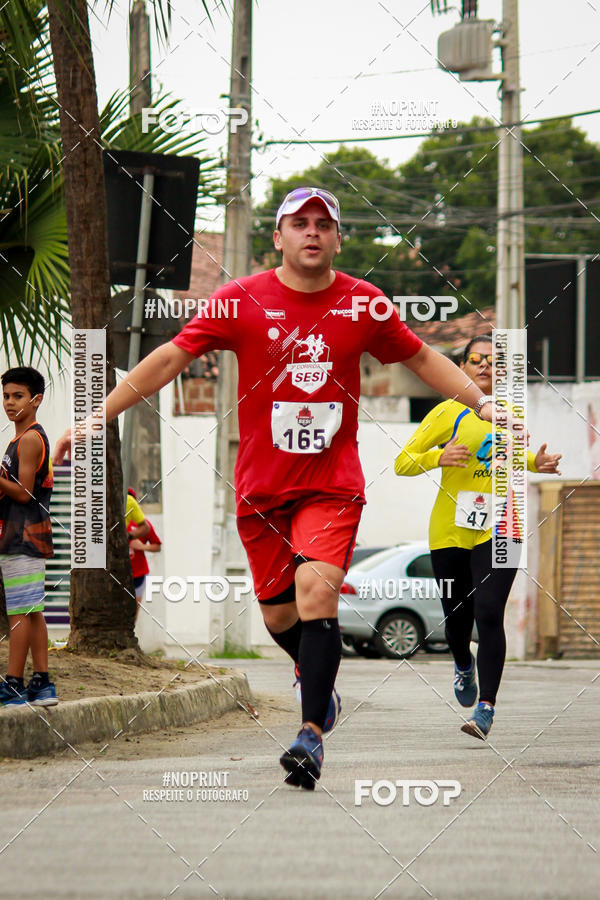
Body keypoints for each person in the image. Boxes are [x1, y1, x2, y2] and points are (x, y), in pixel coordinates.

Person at [54, 187, 505, 787]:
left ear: (338, 238)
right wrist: (98, 414)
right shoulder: (239, 301)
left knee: (315, 591)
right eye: (300, 223)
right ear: (279, 236)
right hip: (262, 488)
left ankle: (310, 735)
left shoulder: (363, 304)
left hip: (331, 485)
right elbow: (169, 358)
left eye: (324, 224)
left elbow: (422, 359)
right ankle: (321, 691)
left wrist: (482, 401)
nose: (312, 232)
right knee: (278, 616)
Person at [394, 335, 561, 739]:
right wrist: (439, 456)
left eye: (494, 361)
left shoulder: (509, 413)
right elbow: (402, 463)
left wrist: (537, 461)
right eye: (475, 359)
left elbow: (512, 458)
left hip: (503, 525)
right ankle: (462, 664)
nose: (485, 366)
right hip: (452, 529)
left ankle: (486, 709)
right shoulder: (447, 412)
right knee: (457, 620)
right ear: (462, 367)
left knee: (488, 613)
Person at [0, 367, 57, 707]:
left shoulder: (31, 439)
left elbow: (23, 494)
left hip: (23, 537)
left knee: (19, 612)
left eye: (18, 396)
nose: (9, 403)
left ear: (36, 400)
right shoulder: (19, 439)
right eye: (6, 396)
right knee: (32, 609)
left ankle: (14, 684)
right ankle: (42, 683)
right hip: (23, 537)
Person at [127, 488, 161, 618]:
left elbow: (157, 546)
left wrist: (142, 547)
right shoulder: (112, 521)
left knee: (133, 613)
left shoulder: (143, 524)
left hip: (138, 573)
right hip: (117, 573)